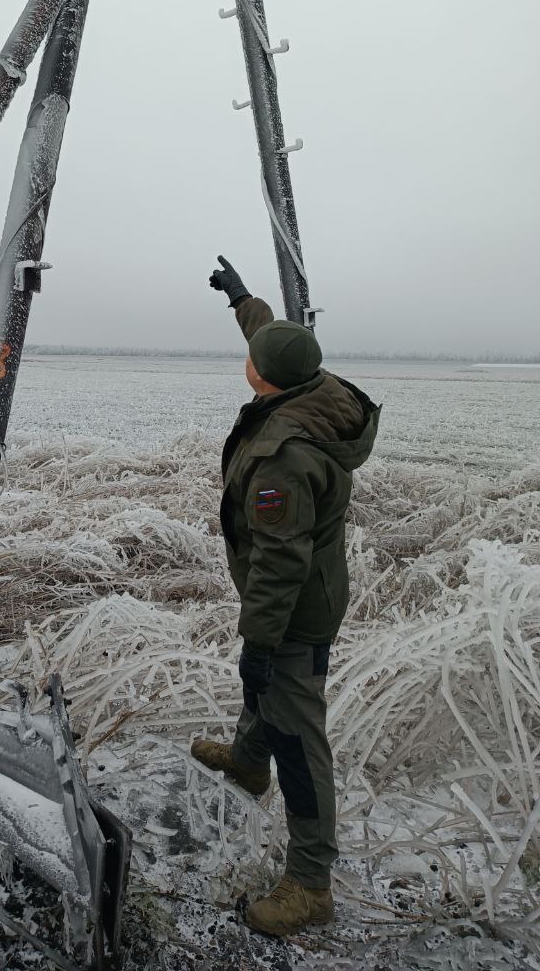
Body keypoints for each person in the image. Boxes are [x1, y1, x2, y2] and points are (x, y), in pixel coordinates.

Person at [192, 256, 380, 936]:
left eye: (254, 358)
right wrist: (242, 299)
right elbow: (271, 335)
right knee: (266, 692)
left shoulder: (286, 456)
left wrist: (261, 639)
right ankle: (247, 761)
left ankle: (311, 881)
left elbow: (279, 560)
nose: (248, 358)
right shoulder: (310, 385)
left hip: (295, 610)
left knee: (297, 736)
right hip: (308, 598)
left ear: (264, 378)